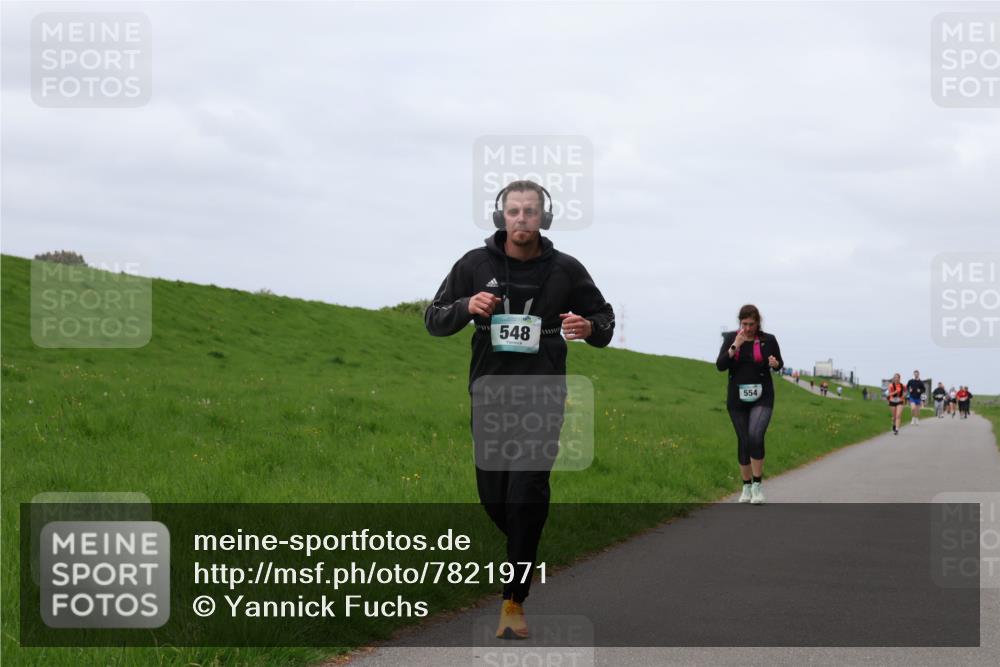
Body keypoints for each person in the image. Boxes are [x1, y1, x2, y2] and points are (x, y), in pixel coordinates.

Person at [424, 180, 614, 639]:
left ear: (543, 219)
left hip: (543, 395)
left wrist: (587, 325)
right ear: (501, 217)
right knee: (495, 497)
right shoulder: (473, 264)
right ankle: (525, 540)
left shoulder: (567, 270)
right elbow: (434, 318)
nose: (522, 219)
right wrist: (467, 305)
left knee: (526, 490)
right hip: (490, 394)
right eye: (514, 212)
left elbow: (605, 323)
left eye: (531, 212)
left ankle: (514, 599)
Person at [716, 304, 783, 505]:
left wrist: (775, 364)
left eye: (751, 324)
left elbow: (779, 364)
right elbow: (720, 365)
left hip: (762, 396)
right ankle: (745, 486)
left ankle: (757, 486)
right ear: (740, 323)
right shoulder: (731, 338)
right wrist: (735, 344)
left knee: (755, 435)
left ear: (758, 322)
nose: (748, 328)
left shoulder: (768, 340)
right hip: (737, 397)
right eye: (744, 324)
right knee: (744, 440)